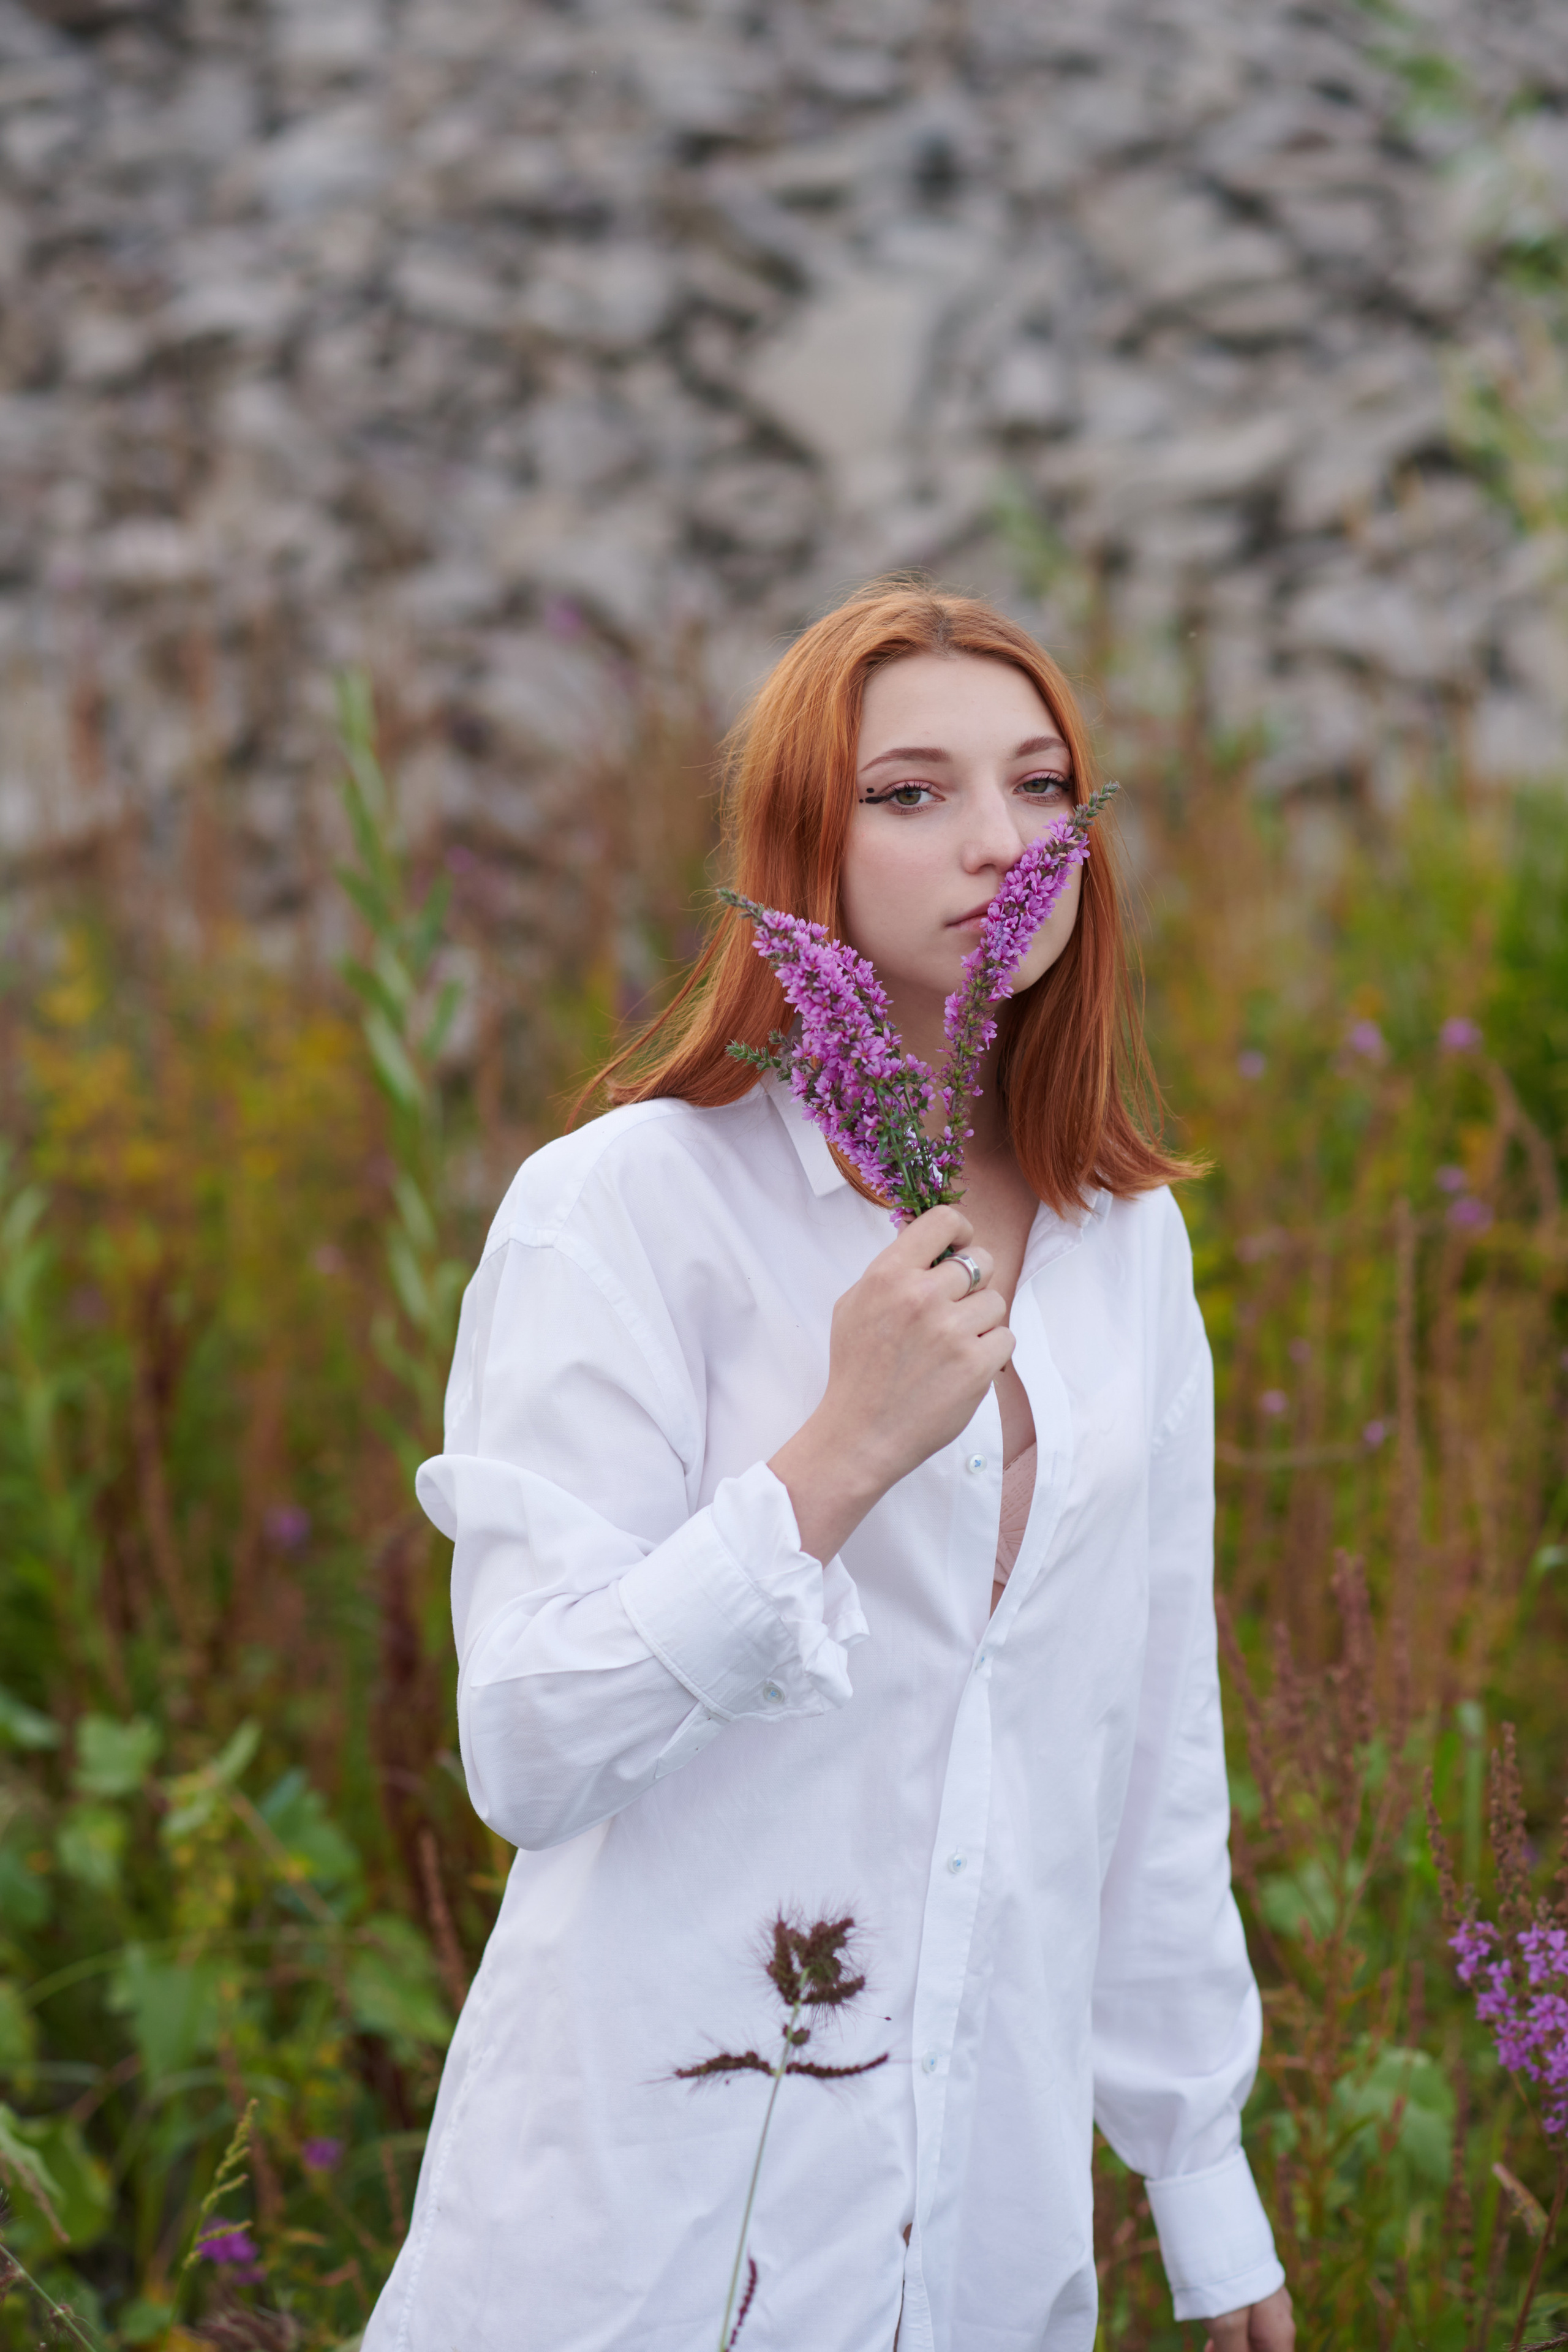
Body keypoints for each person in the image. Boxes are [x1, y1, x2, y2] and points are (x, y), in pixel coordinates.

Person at [363, 582, 1294, 2352]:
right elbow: (530, 1746)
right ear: (803, 839)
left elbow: (1150, 1735)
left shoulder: (1123, 1247)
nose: (1000, 844)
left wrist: (1198, 2175)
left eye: (1042, 790)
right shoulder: (625, 1207)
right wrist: (838, 1456)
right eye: (912, 793)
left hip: (976, 2229)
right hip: (660, 2213)